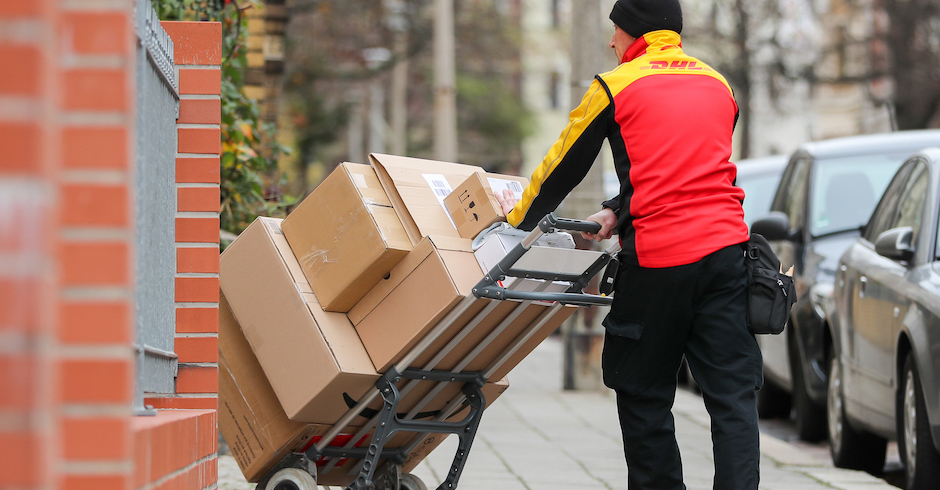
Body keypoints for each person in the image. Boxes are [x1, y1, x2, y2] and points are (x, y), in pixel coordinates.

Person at [494, 1, 762, 489]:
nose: (611, 42)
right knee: (733, 397)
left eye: (614, 30)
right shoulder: (719, 85)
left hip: (659, 262)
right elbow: (681, 166)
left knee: (643, 393)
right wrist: (619, 210)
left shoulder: (614, 85)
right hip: (727, 257)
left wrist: (514, 221)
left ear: (632, 30)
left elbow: (562, 166)